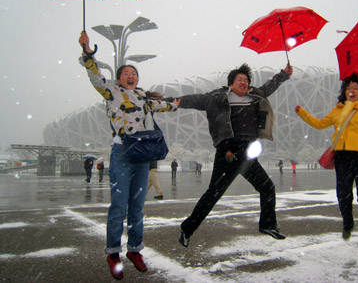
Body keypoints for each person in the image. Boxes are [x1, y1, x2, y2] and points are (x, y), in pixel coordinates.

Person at [78, 32, 179, 280]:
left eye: (134, 73)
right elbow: (95, 77)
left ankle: (135, 250)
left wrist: (175, 103)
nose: (131, 76)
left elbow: (163, 106)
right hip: (123, 152)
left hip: (142, 155)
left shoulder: (144, 97)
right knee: (119, 206)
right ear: (118, 78)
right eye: (126, 73)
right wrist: (88, 53)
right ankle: (113, 253)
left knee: (137, 207)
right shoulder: (111, 92)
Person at [167, 63, 293, 247]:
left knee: (267, 188)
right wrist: (173, 101)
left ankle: (268, 225)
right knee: (213, 195)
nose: (243, 82)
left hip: (248, 153)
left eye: (246, 80)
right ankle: (187, 229)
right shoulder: (218, 97)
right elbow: (195, 99)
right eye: (239, 79)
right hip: (228, 152)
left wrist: (283, 74)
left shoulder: (254, 95)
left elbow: (269, 87)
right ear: (230, 83)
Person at [294, 72, 358, 242]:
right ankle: (348, 224)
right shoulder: (337, 112)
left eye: (356, 88)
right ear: (344, 92)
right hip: (342, 157)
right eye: (349, 88)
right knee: (343, 194)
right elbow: (318, 124)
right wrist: (302, 112)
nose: (352, 90)